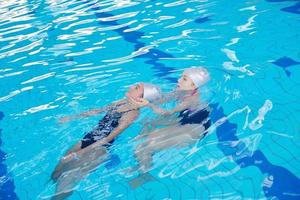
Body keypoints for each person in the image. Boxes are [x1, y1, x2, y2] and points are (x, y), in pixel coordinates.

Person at [50, 83, 161, 200]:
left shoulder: (132, 113)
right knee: (59, 169)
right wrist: (72, 117)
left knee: (70, 177)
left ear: (141, 98)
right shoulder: (122, 101)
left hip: (99, 148)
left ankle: (58, 197)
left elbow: (108, 138)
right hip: (89, 137)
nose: (131, 86)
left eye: (137, 87)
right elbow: (98, 111)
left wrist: (78, 154)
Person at [128, 67, 211, 188]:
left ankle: (144, 175)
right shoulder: (180, 90)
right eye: (181, 76)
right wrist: (143, 97)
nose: (179, 80)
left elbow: (166, 112)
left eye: (184, 79)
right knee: (147, 123)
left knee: (144, 146)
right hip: (184, 118)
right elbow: (162, 100)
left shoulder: (192, 99)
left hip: (195, 127)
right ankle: (142, 162)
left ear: (194, 86)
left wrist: (149, 105)